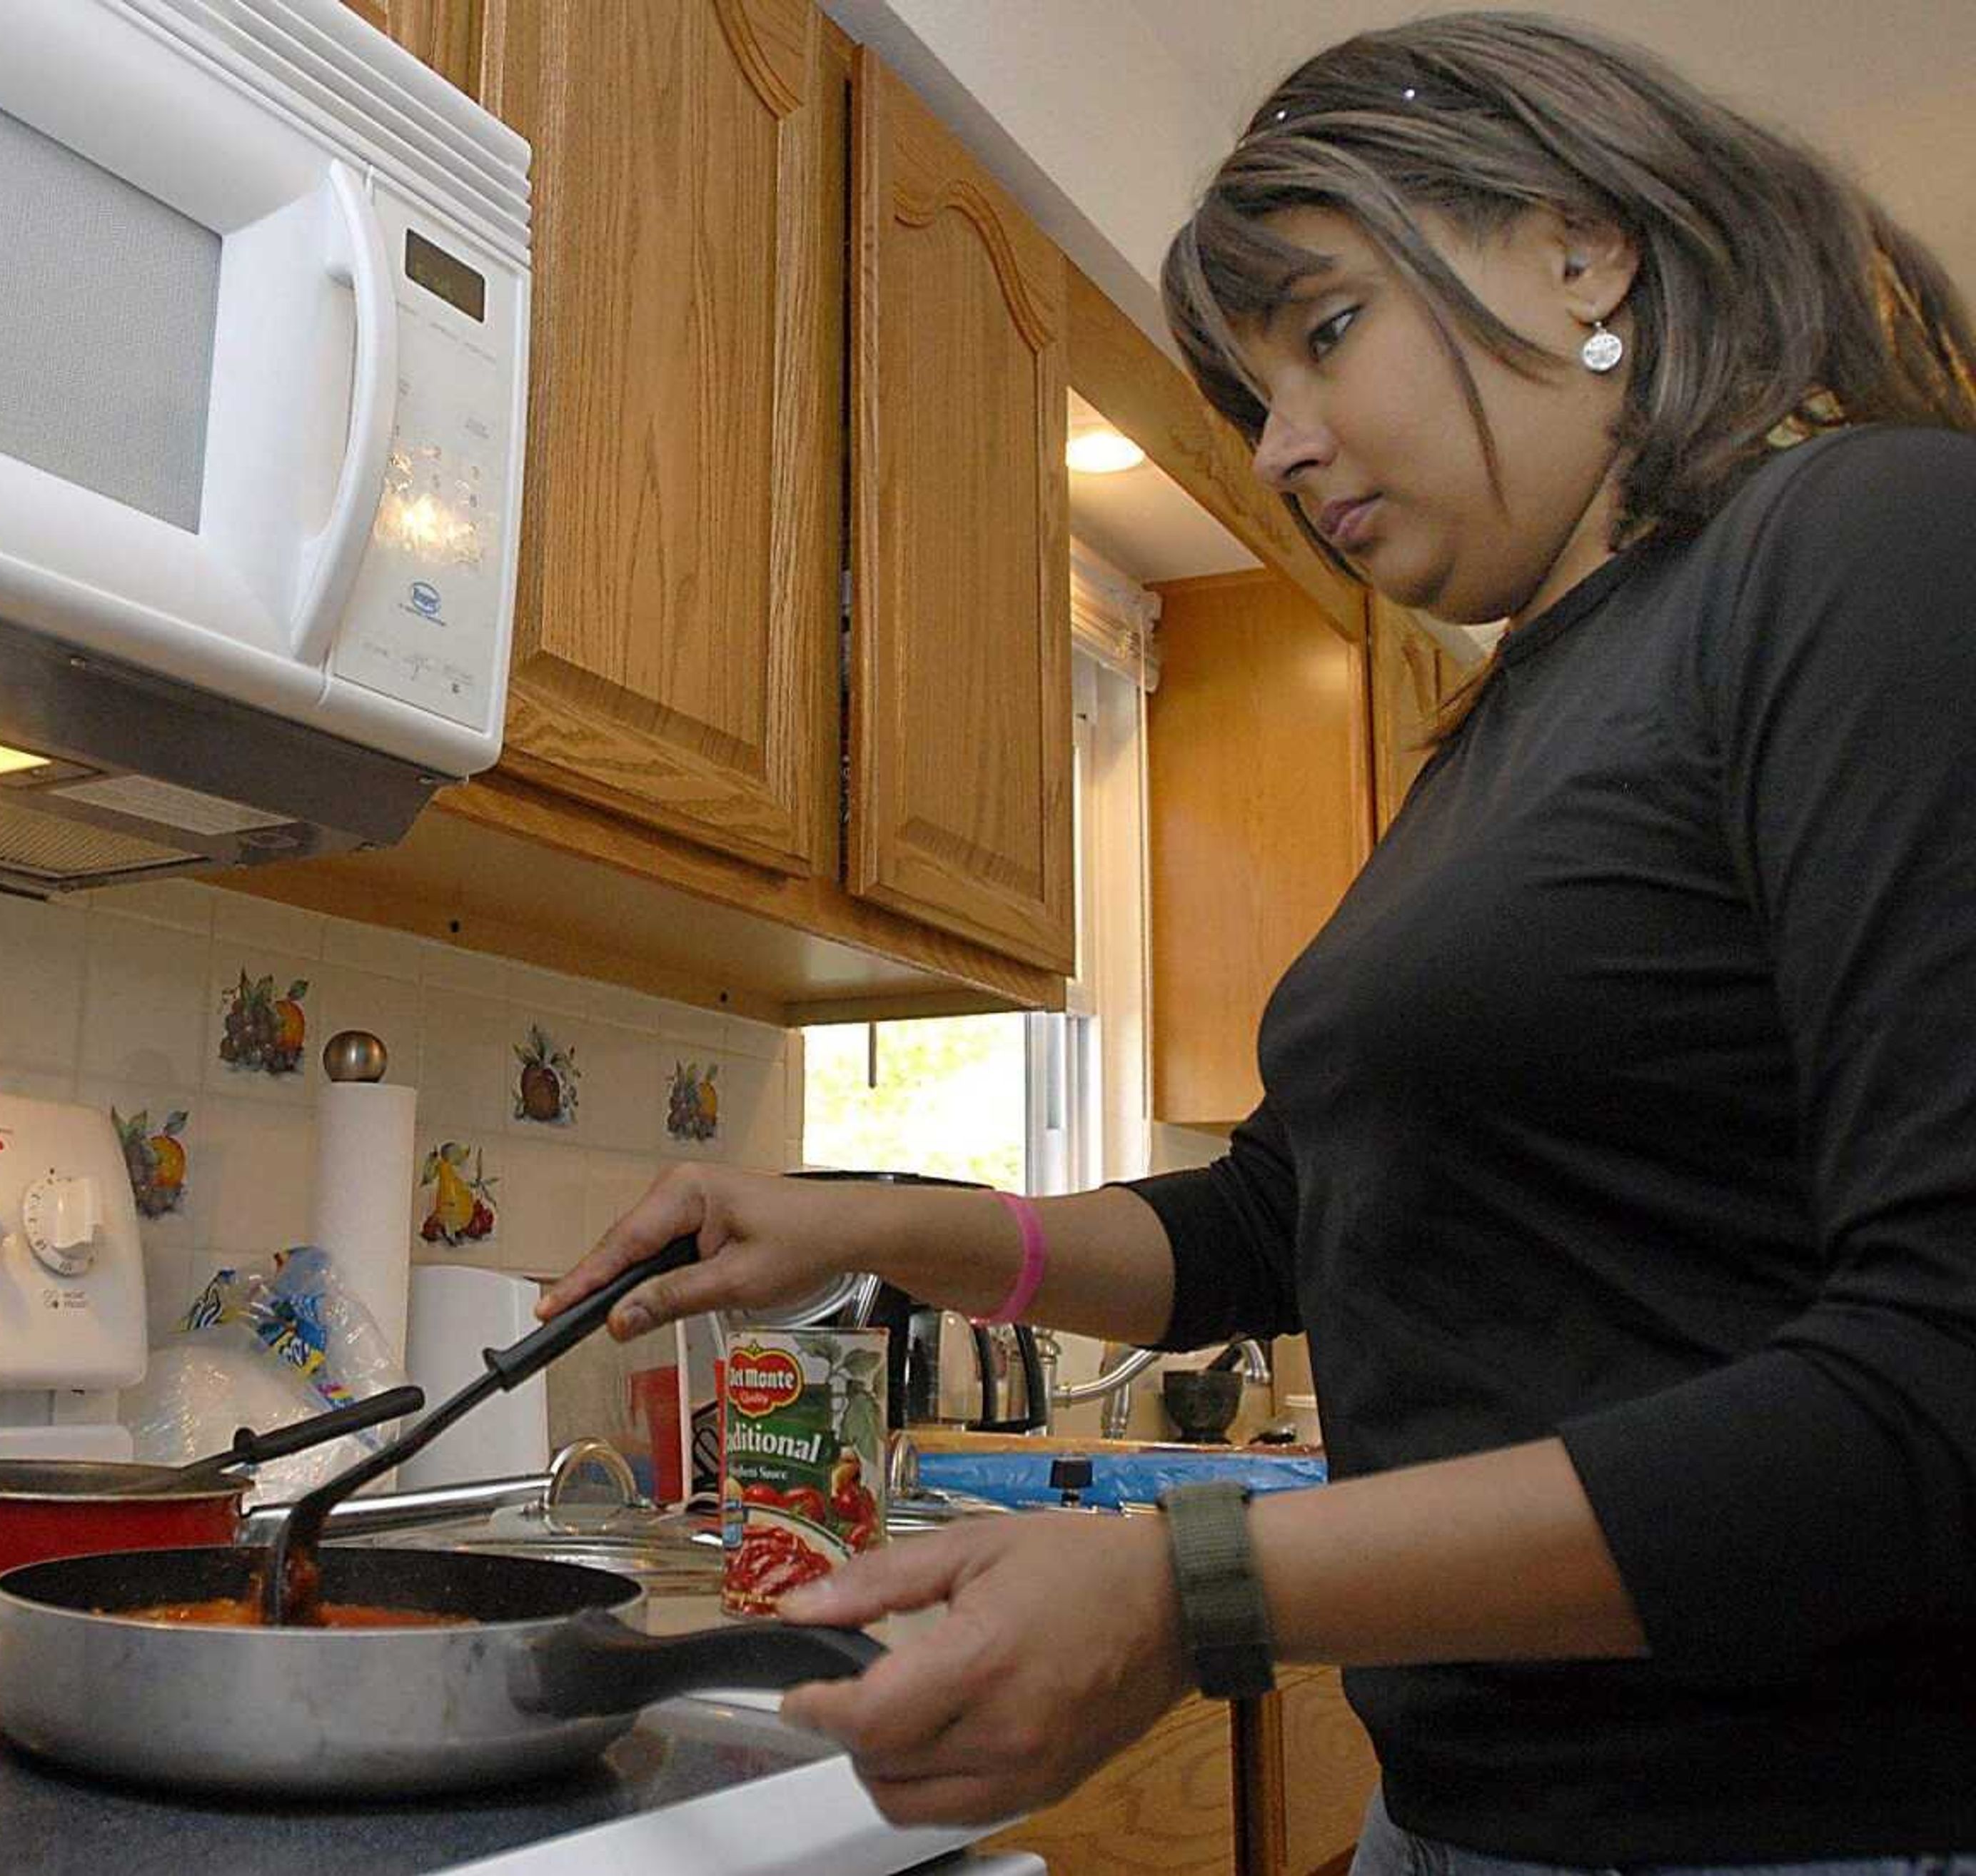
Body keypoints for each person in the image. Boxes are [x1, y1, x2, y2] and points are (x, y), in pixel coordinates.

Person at [538, 11, 1976, 1867]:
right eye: (1254, 390)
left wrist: (1188, 1583)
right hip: (1474, 1815)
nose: (1285, 441)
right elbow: (1278, 1225)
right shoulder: (1515, 724)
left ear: (1579, 246)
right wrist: (871, 1218)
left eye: (1323, 330)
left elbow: (1941, 1376)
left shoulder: (1868, 546)